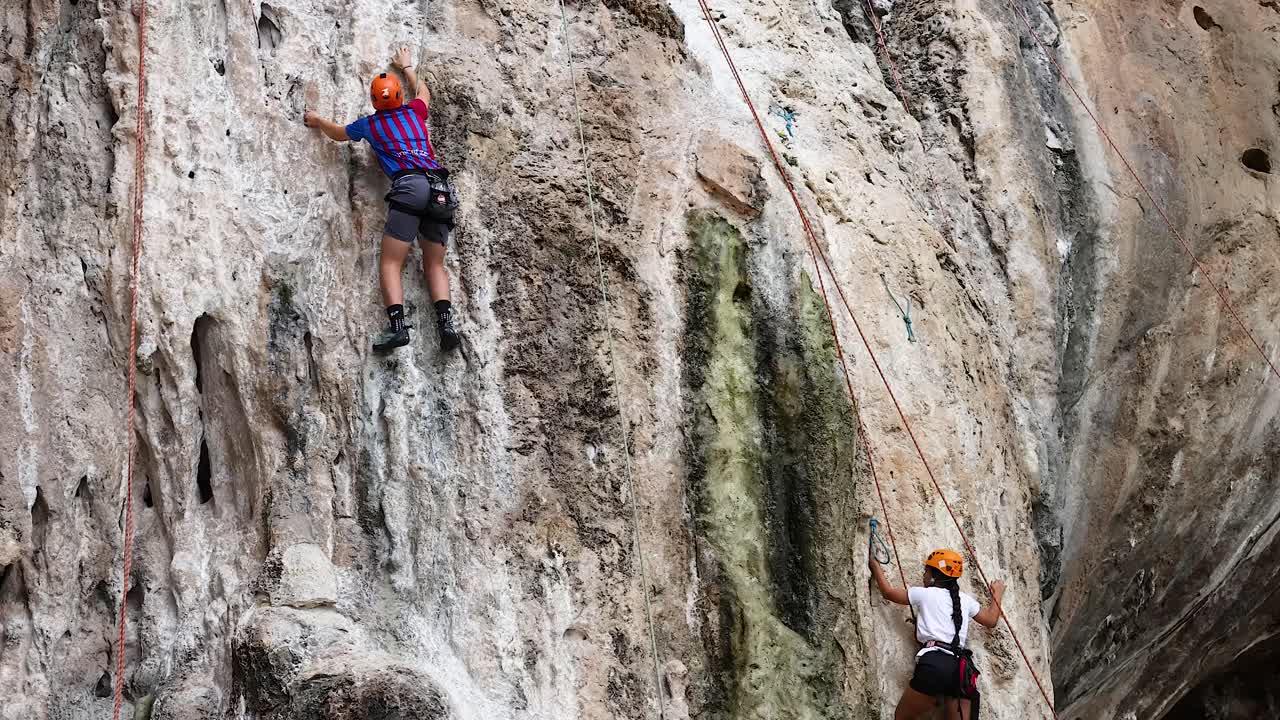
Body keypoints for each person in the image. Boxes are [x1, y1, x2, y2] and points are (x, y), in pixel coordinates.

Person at [303, 47, 460, 354]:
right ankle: (446, 327)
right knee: (435, 265)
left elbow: (337, 133)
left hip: (410, 187)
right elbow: (424, 92)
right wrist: (407, 67)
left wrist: (317, 120)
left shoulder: (371, 124)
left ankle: (398, 329)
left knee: (391, 261)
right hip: (440, 188)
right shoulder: (415, 111)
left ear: (375, 102)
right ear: (400, 97)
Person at [869, 545, 1006, 720]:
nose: (923, 575)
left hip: (934, 665)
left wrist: (874, 565)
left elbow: (888, 592)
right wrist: (998, 593)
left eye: (926, 571)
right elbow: (991, 620)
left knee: (902, 717)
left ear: (934, 576)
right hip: (961, 670)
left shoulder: (924, 594)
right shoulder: (965, 600)